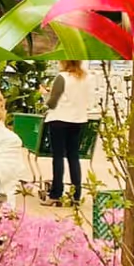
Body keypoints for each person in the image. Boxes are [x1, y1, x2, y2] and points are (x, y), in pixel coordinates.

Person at [41, 60, 94, 208]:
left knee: (58, 157)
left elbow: (52, 103)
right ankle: (76, 195)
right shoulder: (87, 78)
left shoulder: (62, 77)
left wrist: (45, 94)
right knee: (73, 157)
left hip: (59, 119)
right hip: (78, 120)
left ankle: (55, 194)